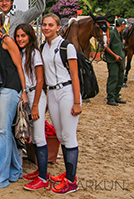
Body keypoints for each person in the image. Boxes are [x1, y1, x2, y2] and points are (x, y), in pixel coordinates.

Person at [0, 11, 27, 189]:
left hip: (11, 88)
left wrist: (24, 91)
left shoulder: (7, 41)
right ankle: (16, 170)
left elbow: (19, 65)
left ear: (1, 24)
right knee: (5, 132)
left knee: (2, 130)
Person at [41, 13, 81, 194]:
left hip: (66, 91)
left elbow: (74, 75)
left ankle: (71, 181)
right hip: (52, 92)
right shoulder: (43, 47)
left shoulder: (67, 46)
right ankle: (68, 174)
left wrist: (77, 101)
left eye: (50, 25)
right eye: (44, 25)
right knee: (61, 135)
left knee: (69, 134)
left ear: (58, 27)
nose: (46, 28)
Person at [14, 23, 48, 191]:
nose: (20, 39)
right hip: (26, 95)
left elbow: (40, 80)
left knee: (40, 136)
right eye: (18, 36)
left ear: (30, 37)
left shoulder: (34, 53)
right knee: (33, 137)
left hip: (36, 95)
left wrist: (35, 105)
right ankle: (39, 171)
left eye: (23, 36)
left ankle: (43, 177)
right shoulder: (21, 52)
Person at [105, 18, 127, 106]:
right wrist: (115, 55)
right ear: (122, 25)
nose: (125, 27)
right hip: (113, 60)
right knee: (113, 77)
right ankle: (110, 97)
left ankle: (116, 96)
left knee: (120, 77)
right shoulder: (112, 33)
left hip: (121, 60)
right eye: (124, 25)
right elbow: (106, 47)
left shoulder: (120, 34)